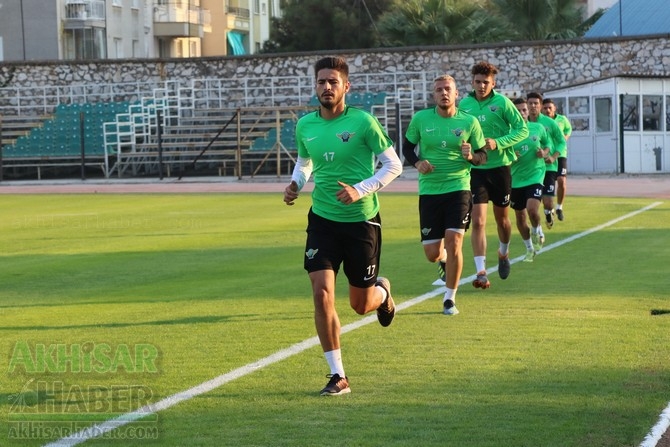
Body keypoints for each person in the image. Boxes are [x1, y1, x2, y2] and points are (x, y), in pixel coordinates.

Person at [283, 56, 402, 396]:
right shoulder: (306, 125)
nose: (326, 87)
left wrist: (360, 189)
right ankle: (338, 375)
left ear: (346, 86)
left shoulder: (363, 123)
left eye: (333, 81)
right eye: (321, 81)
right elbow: (305, 161)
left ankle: (382, 293)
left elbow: (393, 165)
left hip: (361, 222)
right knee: (322, 295)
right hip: (321, 220)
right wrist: (296, 184)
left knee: (360, 305)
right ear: (315, 86)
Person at [402, 74, 487, 315]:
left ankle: (449, 298)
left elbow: (482, 156)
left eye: (447, 89)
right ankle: (442, 260)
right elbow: (407, 147)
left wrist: (471, 157)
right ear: (433, 94)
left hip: (458, 188)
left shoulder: (469, 122)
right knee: (432, 253)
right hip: (429, 191)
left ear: (457, 93)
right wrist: (417, 163)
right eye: (438, 89)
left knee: (455, 240)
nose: (443, 93)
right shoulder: (421, 119)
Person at [458, 61, 529, 289]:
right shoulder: (465, 104)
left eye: (485, 83)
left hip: (500, 170)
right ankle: (481, 271)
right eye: (477, 82)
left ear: (493, 83)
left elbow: (522, 130)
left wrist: (498, 142)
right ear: (472, 81)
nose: (481, 86)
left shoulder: (503, 103)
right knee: (478, 220)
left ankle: (503, 253)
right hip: (476, 170)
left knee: (503, 220)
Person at [510, 97, 549, 262]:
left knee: (532, 209)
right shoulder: (508, 133)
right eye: (517, 111)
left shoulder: (538, 128)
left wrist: (544, 153)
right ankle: (529, 248)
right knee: (520, 216)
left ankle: (537, 229)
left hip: (535, 175)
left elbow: (547, 145)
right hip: (515, 179)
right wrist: (510, 156)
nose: (521, 113)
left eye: (524, 110)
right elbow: (499, 154)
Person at [526, 92, 566, 229]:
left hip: (548, 167)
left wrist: (553, 157)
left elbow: (562, 142)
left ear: (540, 106)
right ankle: (536, 228)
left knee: (548, 202)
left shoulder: (549, 123)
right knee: (531, 204)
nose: (533, 106)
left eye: (536, 103)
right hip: (530, 168)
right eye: (530, 103)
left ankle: (549, 212)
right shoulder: (521, 124)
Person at [542, 98, 572, 221]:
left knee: (561, 180)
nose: (548, 110)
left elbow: (568, 130)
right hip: (546, 156)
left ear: (554, 108)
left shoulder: (562, 120)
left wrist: (563, 138)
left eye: (550, 107)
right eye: (545, 108)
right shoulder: (540, 122)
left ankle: (559, 207)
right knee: (545, 184)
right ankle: (548, 209)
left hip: (560, 155)